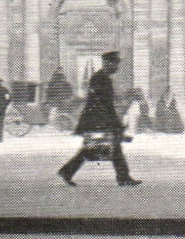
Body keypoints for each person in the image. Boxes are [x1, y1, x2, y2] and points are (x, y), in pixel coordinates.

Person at [58, 50, 140, 186]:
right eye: (114, 64)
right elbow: (104, 103)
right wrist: (115, 123)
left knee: (105, 148)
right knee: (99, 148)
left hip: (98, 119)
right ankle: (123, 177)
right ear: (107, 63)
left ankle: (123, 177)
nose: (116, 67)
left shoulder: (101, 77)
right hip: (98, 120)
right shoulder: (101, 78)